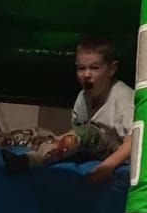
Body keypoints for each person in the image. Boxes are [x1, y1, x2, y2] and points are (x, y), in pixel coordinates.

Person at [15, 38, 135, 182]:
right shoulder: (83, 97)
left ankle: (30, 160)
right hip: (90, 149)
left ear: (111, 69)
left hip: (116, 150)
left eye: (94, 68)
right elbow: (75, 133)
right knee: (40, 136)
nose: (86, 75)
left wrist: (107, 166)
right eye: (81, 68)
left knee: (88, 132)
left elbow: (135, 139)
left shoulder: (124, 98)